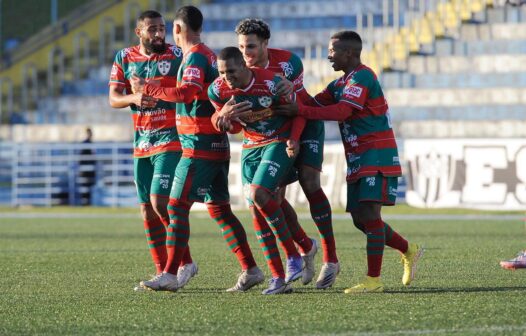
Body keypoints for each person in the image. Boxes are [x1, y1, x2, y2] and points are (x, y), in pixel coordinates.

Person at [269, 30, 424, 293]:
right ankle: (409, 249)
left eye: (333, 51)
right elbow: (311, 104)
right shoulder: (339, 85)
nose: (329, 56)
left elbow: (342, 111)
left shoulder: (363, 76)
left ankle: (373, 280)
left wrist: (301, 109)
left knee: (371, 216)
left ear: (349, 53)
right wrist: (286, 91)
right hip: (356, 157)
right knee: (360, 219)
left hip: (376, 153)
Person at [133, 6, 264, 292]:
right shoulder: (204, 55)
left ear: (178, 29)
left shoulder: (194, 57)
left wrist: (150, 89)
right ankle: (251, 269)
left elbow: (187, 93)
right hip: (215, 145)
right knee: (220, 211)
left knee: (175, 206)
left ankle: (170, 272)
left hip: (198, 146)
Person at [235, 18, 339, 289]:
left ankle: (330, 257)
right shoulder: (238, 70)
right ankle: (305, 247)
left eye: (252, 47)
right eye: (242, 47)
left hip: (304, 123)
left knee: (310, 181)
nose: (246, 54)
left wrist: (294, 138)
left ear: (266, 44)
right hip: (274, 135)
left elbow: (298, 106)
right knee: (270, 197)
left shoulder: (288, 63)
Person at [208, 46, 310, 294]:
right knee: (256, 210)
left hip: (277, 141)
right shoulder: (217, 89)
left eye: (231, 71)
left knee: (259, 193)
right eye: (221, 72)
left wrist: (294, 140)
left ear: (244, 66)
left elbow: (299, 113)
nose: (226, 77)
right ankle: (278, 278)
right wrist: (224, 117)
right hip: (250, 146)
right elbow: (223, 124)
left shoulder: (273, 83)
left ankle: (294, 255)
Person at [108, 10, 196, 290]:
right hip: (141, 143)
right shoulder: (124, 57)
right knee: (147, 211)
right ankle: (162, 271)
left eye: (162, 28)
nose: (159, 34)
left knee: (161, 203)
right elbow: (113, 98)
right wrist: (134, 97)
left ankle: (184, 263)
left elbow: (191, 86)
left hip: (172, 139)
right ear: (139, 33)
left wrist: (156, 88)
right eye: (152, 30)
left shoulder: (177, 55)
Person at [78, 127, 95, 206]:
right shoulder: (85, 143)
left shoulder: (91, 143)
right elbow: (81, 157)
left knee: (90, 185)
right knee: (85, 185)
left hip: (90, 168)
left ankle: (88, 202)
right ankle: (85, 203)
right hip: (85, 169)